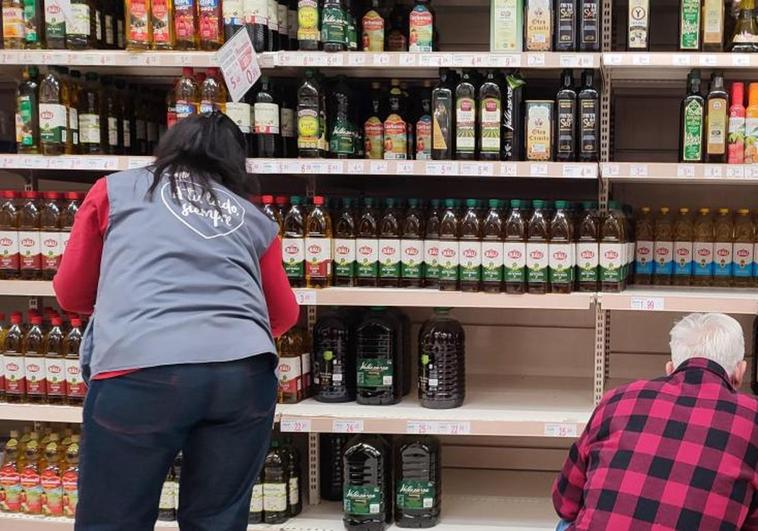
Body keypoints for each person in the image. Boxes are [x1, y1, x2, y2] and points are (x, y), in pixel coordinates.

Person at [54, 112, 300, 531]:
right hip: (242, 376)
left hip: (140, 373)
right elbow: (283, 315)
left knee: (113, 519)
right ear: (237, 165)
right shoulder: (251, 217)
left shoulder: (115, 190)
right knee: (217, 521)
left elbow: (71, 292)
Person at [553, 313, 758, 530]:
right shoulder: (752, 417)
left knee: (567, 522)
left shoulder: (618, 398)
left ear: (670, 368)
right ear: (740, 371)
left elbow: (565, 502)